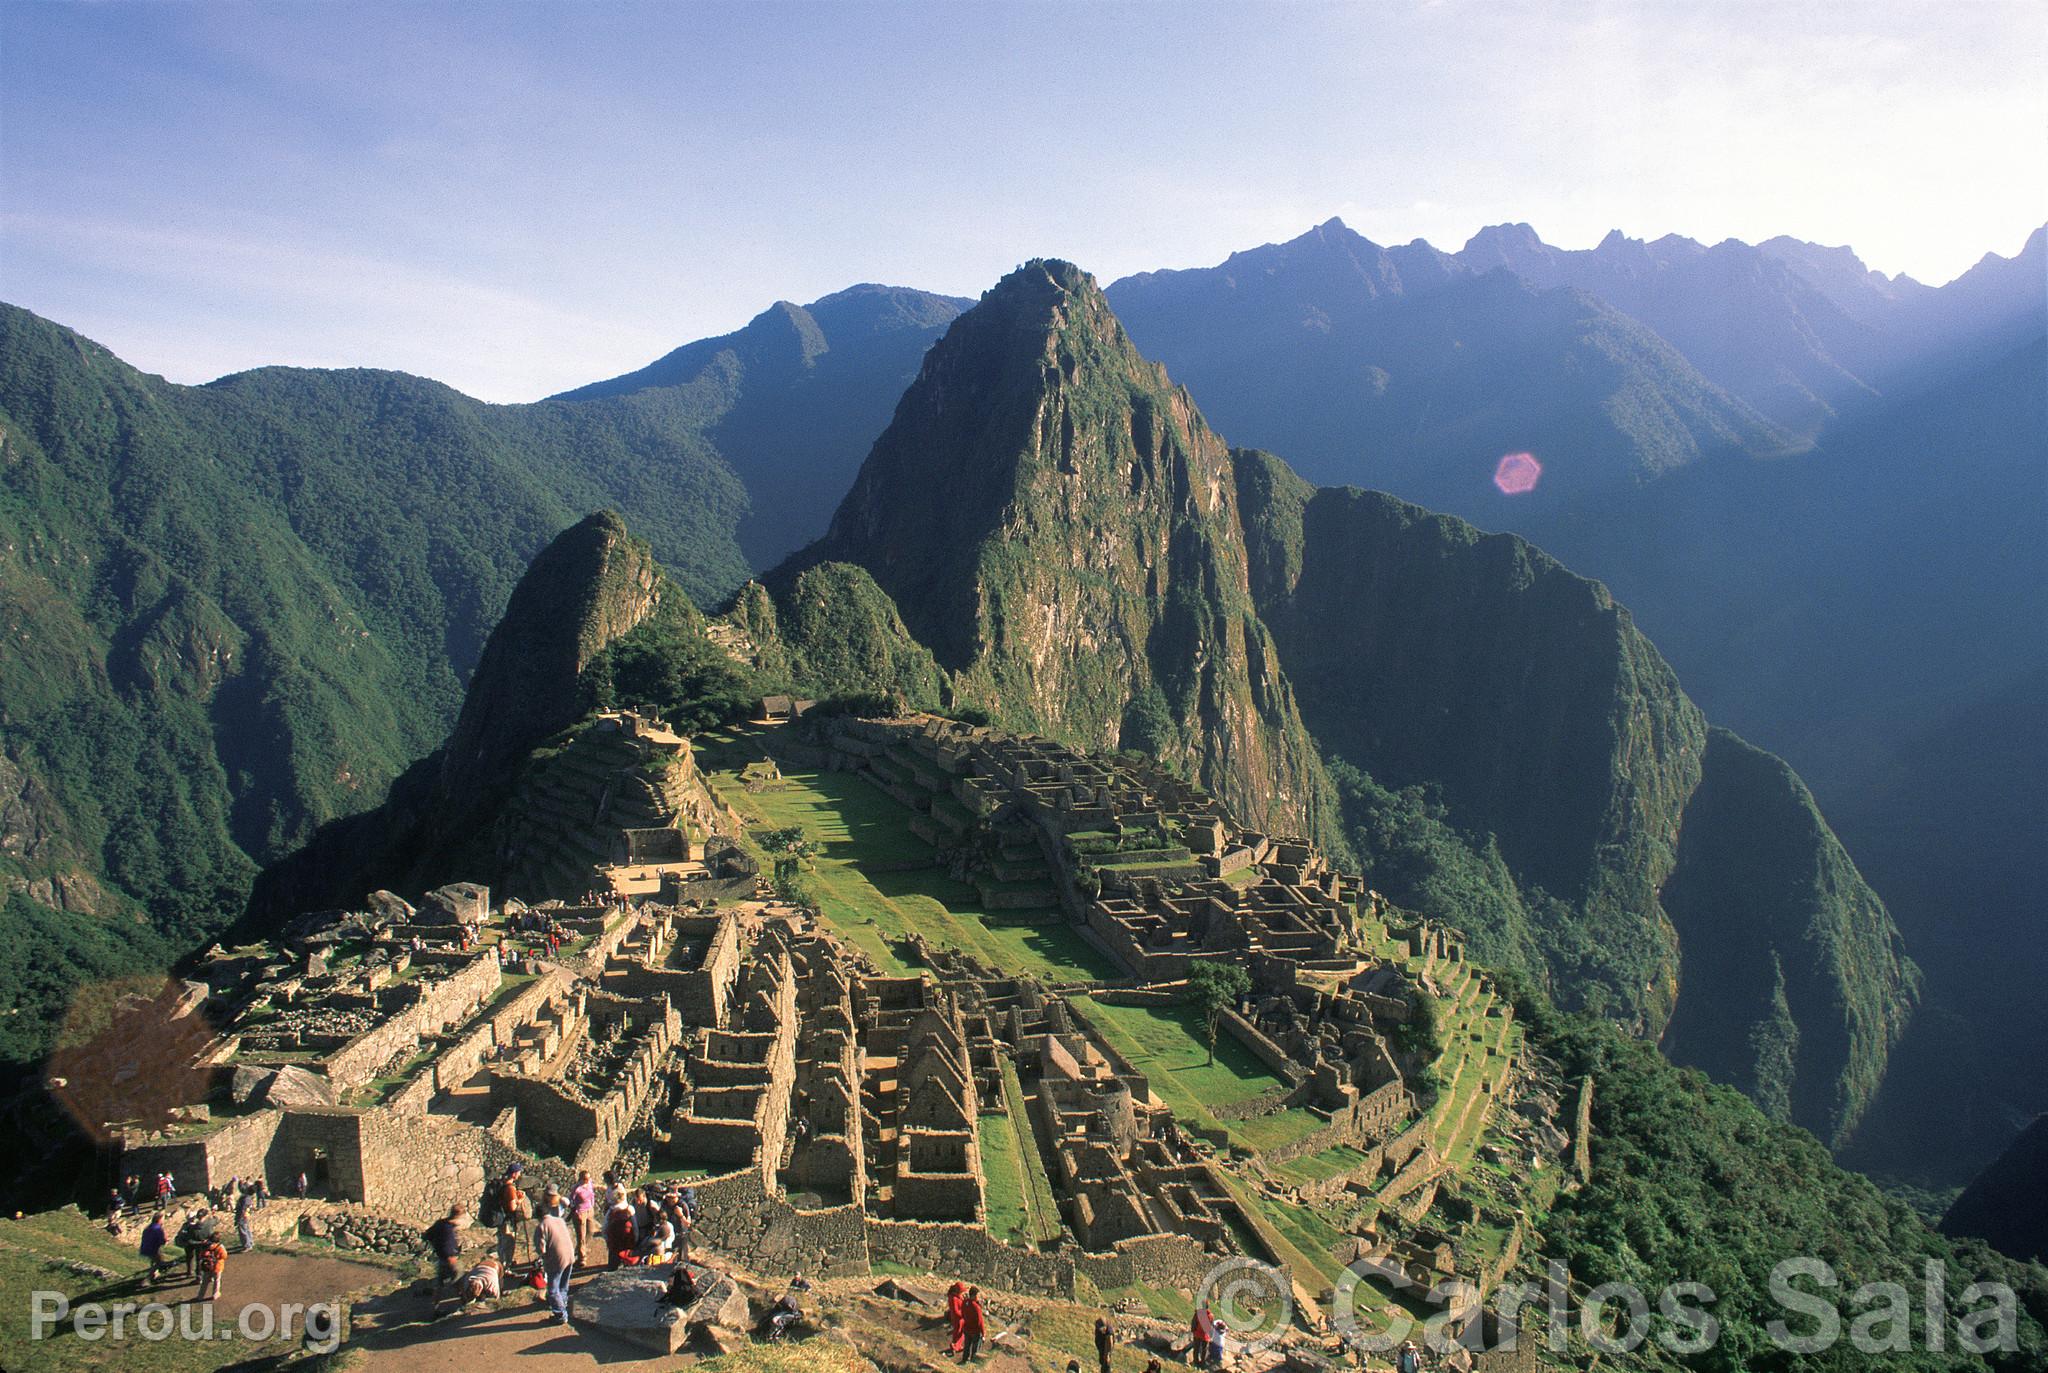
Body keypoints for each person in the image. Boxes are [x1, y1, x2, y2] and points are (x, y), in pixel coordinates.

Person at [534, 1206, 576, 1324]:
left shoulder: (542, 1226)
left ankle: (560, 1314)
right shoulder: (560, 1220)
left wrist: (541, 1256)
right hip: (569, 1255)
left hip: (557, 1259)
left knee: (553, 1290)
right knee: (563, 1284)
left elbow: (541, 1249)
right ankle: (563, 1304)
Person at [424, 1204, 465, 1289]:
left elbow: (428, 1234)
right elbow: (448, 1245)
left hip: (441, 1257)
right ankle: (458, 1295)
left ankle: (436, 1299)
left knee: (440, 1281)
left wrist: (436, 1246)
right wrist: (450, 1256)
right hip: (450, 1258)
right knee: (459, 1277)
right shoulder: (448, 1230)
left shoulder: (441, 1223)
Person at [570, 1171, 597, 1264]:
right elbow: (571, 1201)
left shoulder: (589, 1183)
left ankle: (581, 1248)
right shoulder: (576, 1189)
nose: (588, 1180)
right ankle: (582, 1259)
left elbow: (592, 1195)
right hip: (580, 1213)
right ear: (581, 1179)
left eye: (589, 1178)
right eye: (586, 1179)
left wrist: (592, 1206)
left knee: (590, 1231)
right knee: (581, 1235)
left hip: (589, 1210)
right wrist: (576, 1211)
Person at [604, 1198, 638, 1270]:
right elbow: (635, 1225)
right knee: (627, 1258)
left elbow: (605, 1226)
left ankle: (611, 1271)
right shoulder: (630, 1208)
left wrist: (607, 1239)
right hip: (628, 1239)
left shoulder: (611, 1210)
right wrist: (636, 1237)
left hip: (614, 1239)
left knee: (613, 1260)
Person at [139, 1212, 169, 1284]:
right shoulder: (158, 1229)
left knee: (154, 1260)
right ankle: (147, 1279)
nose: (163, 1220)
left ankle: (154, 1274)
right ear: (159, 1219)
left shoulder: (148, 1227)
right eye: (162, 1219)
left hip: (145, 1247)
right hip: (153, 1248)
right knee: (159, 1262)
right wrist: (166, 1240)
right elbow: (162, 1241)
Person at [196, 1235, 228, 1303]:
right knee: (217, 1280)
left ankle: (200, 1296)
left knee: (204, 1282)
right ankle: (215, 1294)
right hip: (217, 1267)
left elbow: (201, 1255)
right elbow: (224, 1256)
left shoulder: (205, 1246)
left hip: (207, 1267)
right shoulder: (219, 1247)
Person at [958, 1287, 986, 1363]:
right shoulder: (976, 1307)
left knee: (967, 1345)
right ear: (974, 1295)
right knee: (975, 1348)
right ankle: (973, 1361)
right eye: (978, 1295)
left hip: (967, 1328)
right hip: (975, 1330)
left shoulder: (964, 1302)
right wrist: (983, 1333)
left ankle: (965, 1359)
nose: (979, 1297)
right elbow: (980, 1321)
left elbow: (963, 1313)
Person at [946, 1281, 967, 1354]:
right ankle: (956, 1346)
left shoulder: (958, 1297)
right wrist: (963, 1314)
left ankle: (956, 1345)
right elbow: (955, 1311)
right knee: (960, 1333)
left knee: (957, 1333)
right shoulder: (954, 1298)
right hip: (958, 1319)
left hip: (960, 1318)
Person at [1191, 1302, 1214, 1368]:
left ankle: (1196, 1362)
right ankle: (1202, 1363)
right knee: (1204, 1350)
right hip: (1205, 1335)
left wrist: (1193, 1330)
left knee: (1196, 1349)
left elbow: (1194, 1322)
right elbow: (1211, 1326)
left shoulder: (1198, 1313)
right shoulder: (1211, 1315)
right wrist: (1211, 1335)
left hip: (1197, 1333)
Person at [235, 1185, 255, 1252]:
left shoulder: (246, 1198)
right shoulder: (249, 1198)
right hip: (245, 1215)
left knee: (243, 1231)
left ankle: (247, 1246)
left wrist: (239, 1218)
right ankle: (250, 1242)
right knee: (246, 1229)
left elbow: (243, 1209)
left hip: (242, 1216)